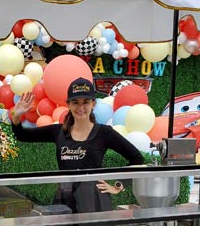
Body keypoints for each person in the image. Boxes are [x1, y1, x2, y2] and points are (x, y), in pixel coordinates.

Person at [8, 77, 144, 213]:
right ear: (69, 105)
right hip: (64, 200)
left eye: (86, 102)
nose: (81, 108)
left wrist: (118, 185)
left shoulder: (104, 133)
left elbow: (137, 158)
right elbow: (22, 135)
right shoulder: (58, 131)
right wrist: (16, 116)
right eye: (75, 102)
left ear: (93, 104)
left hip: (94, 202)